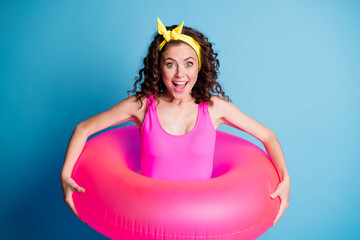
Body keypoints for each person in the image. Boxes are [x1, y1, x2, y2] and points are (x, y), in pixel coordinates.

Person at [60, 18, 290, 227]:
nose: (180, 74)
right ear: (159, 68)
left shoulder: (213, 108)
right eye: (170, 64)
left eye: (188, 64)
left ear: (199, 66)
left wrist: (285, 179)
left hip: (202, 223)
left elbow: (267, 136)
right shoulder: (142, 106)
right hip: (149, 221)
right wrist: (66, 175)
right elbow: (84, 128)